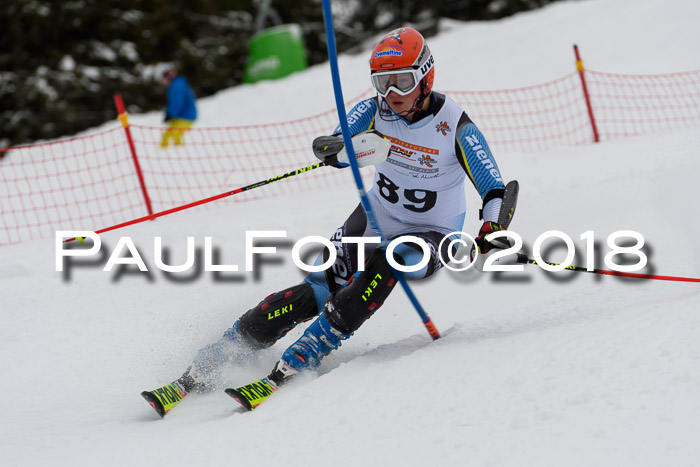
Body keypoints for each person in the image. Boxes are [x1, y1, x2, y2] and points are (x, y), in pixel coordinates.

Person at [143, 27, 512, 415]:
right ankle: (218, 355)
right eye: (382, 83)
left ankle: (312, 347)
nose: (393, 94)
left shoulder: (454, 124)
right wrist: (335, 150)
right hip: (375, 216)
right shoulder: (374, 110)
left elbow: (495, 188)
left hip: (432, 232)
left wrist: (492, 229)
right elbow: (337, 141)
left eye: (402, 81)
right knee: (316, 289)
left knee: (391, 260)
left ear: (425, 75)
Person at [160, 69, 197, 148]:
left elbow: (178, 102)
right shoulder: (177, 85)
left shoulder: (176, 87)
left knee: (173, 134)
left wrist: (170, 114)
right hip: (181, 116)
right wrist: (169, 112)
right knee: (170, 135)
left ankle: (175, 152)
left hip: (186, 116)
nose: (163, 82)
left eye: (164, 79)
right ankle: (174, 151)